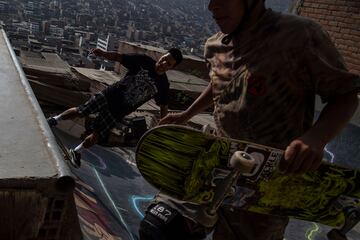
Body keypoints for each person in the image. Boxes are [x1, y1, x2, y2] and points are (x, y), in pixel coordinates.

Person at [139, 0, 360, 239]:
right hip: (217, 163)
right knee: (158, 228)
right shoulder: (214, 46)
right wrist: (186, 114)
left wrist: (316, 139)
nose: (212, 7)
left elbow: (346, 95)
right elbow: (218, 85)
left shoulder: (299, 35)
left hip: (266, 182)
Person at [47, 48, 183, 168]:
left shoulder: (163, 85)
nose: (164, 63)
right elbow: (120, 57)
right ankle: (54, 120)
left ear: (172, 67)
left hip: (119, 111)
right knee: (82, 111)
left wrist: (163, 124)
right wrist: (103, 54)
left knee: (97, 135)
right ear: (162, 56)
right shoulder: (144, 61)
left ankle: (76, 151)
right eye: (164, 59)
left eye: (168, 64)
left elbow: (163, 106)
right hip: (109, 96)